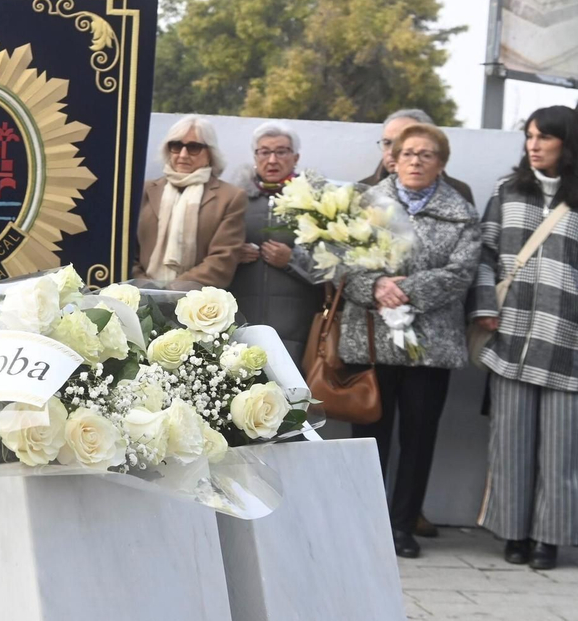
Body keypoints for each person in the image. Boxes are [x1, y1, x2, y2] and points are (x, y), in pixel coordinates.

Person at [341, 122, 479, 559]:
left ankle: (402, 526)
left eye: (427, 154)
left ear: (441, 164)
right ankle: (361, 524)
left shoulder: (461, 212)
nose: (416, 161)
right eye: (409, 153)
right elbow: (342, 261)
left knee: (419, 440)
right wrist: (375, 286)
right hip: (372, 340)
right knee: (369, 438)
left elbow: (462, 272)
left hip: (430, 344)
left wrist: (406, 291)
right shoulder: (363, 204)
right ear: (393, 159)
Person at [473, 106, 578, 571]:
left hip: (568, 340)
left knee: (562, 449)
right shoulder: (507, 189)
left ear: (567, 143)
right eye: (529, 136)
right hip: (511, 335)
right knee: (510, 440)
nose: (533, 145)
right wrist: (484, 307)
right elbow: (485, 254)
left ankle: (549, 539)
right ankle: (512, 533)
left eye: (545, 137)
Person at [228, 122, 323, 362]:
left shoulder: (315, 202)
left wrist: (291, 260)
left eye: (281, 152)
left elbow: (333, 266)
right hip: (240, 319)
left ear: (295, 157)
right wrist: (231, 254)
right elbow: (209, 251)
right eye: (264, 152)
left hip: (297, 325)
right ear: (255, 156)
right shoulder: (233, 199)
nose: (272, 160)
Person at [132, 115, 247, 290]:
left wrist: (170, 292)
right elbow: (126, 249)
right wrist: (145, 289)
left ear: (210, 153)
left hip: (197, 304)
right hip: (140, 298)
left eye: (193, 147)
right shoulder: (143, 191)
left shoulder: (230, 197)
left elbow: (222, 259)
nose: (183, 155)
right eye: (176, 146)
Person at [361, 108, 474, 207]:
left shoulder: (459, 192)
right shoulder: (362, 190)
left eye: (403, 143)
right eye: (387, 142)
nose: (392, 151)